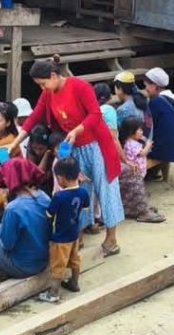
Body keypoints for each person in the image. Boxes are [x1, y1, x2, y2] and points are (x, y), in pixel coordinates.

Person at [10, 57, 124, 256]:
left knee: (105, 188)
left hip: (97, 144)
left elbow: (95, 114)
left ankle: (111, 238)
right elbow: (35, 117)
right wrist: (15, 142)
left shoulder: (80, 86)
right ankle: (78, 234)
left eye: (43, 83)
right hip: (73, 147)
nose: (42, 88)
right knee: (78, 190)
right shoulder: (48, 93)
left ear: (54, 76)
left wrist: (77, 130)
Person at [0, 158, 52, 279]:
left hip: (22, 266)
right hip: (42, 258)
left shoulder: (13, 208)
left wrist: (5, 204)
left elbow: (7, 245)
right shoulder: (43, 196)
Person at [38, 157, 91, 303]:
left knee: (58, 265)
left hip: (60, 237)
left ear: (60, 179)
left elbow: (49, 214)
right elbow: (85, 208)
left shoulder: (59, 196)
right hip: (74, 234)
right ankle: (74, 283)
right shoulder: (83, 192)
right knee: (75, 259)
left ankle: (53, 293)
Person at [117, 116, 165, 223]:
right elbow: (142, 153)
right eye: (139, 130)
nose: (142, 132)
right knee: (135, 192)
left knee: (134, 192)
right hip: (134, 171)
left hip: (136, 170)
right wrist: (147, 145)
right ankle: (140, 210)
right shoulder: (131, 143)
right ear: (131, 131)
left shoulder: (131, 142)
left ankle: (140, 208)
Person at [143, 67, 174, 176]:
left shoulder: (155, 102)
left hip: (162, 149)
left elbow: (149, 127)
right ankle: (164, 176)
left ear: (155, 86)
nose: (145, 89)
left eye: (146, 85)